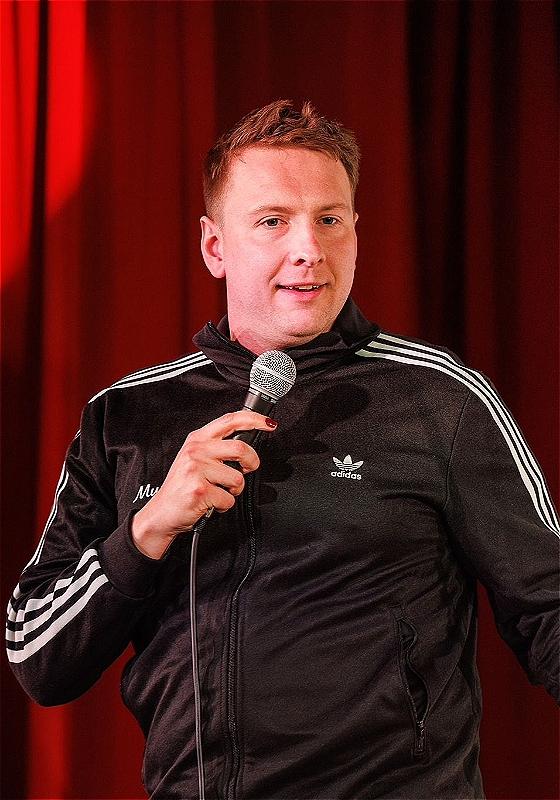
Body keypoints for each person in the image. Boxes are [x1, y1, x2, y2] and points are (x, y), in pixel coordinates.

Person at [6, 100, 559, 800]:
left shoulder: (441, 400)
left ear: (356, 232)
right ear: (214, 246)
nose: (309, 249)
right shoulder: (126, 416)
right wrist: (147, 531)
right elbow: (37, 656)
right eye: (272, 222)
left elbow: (551, 605)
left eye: (330, 220)